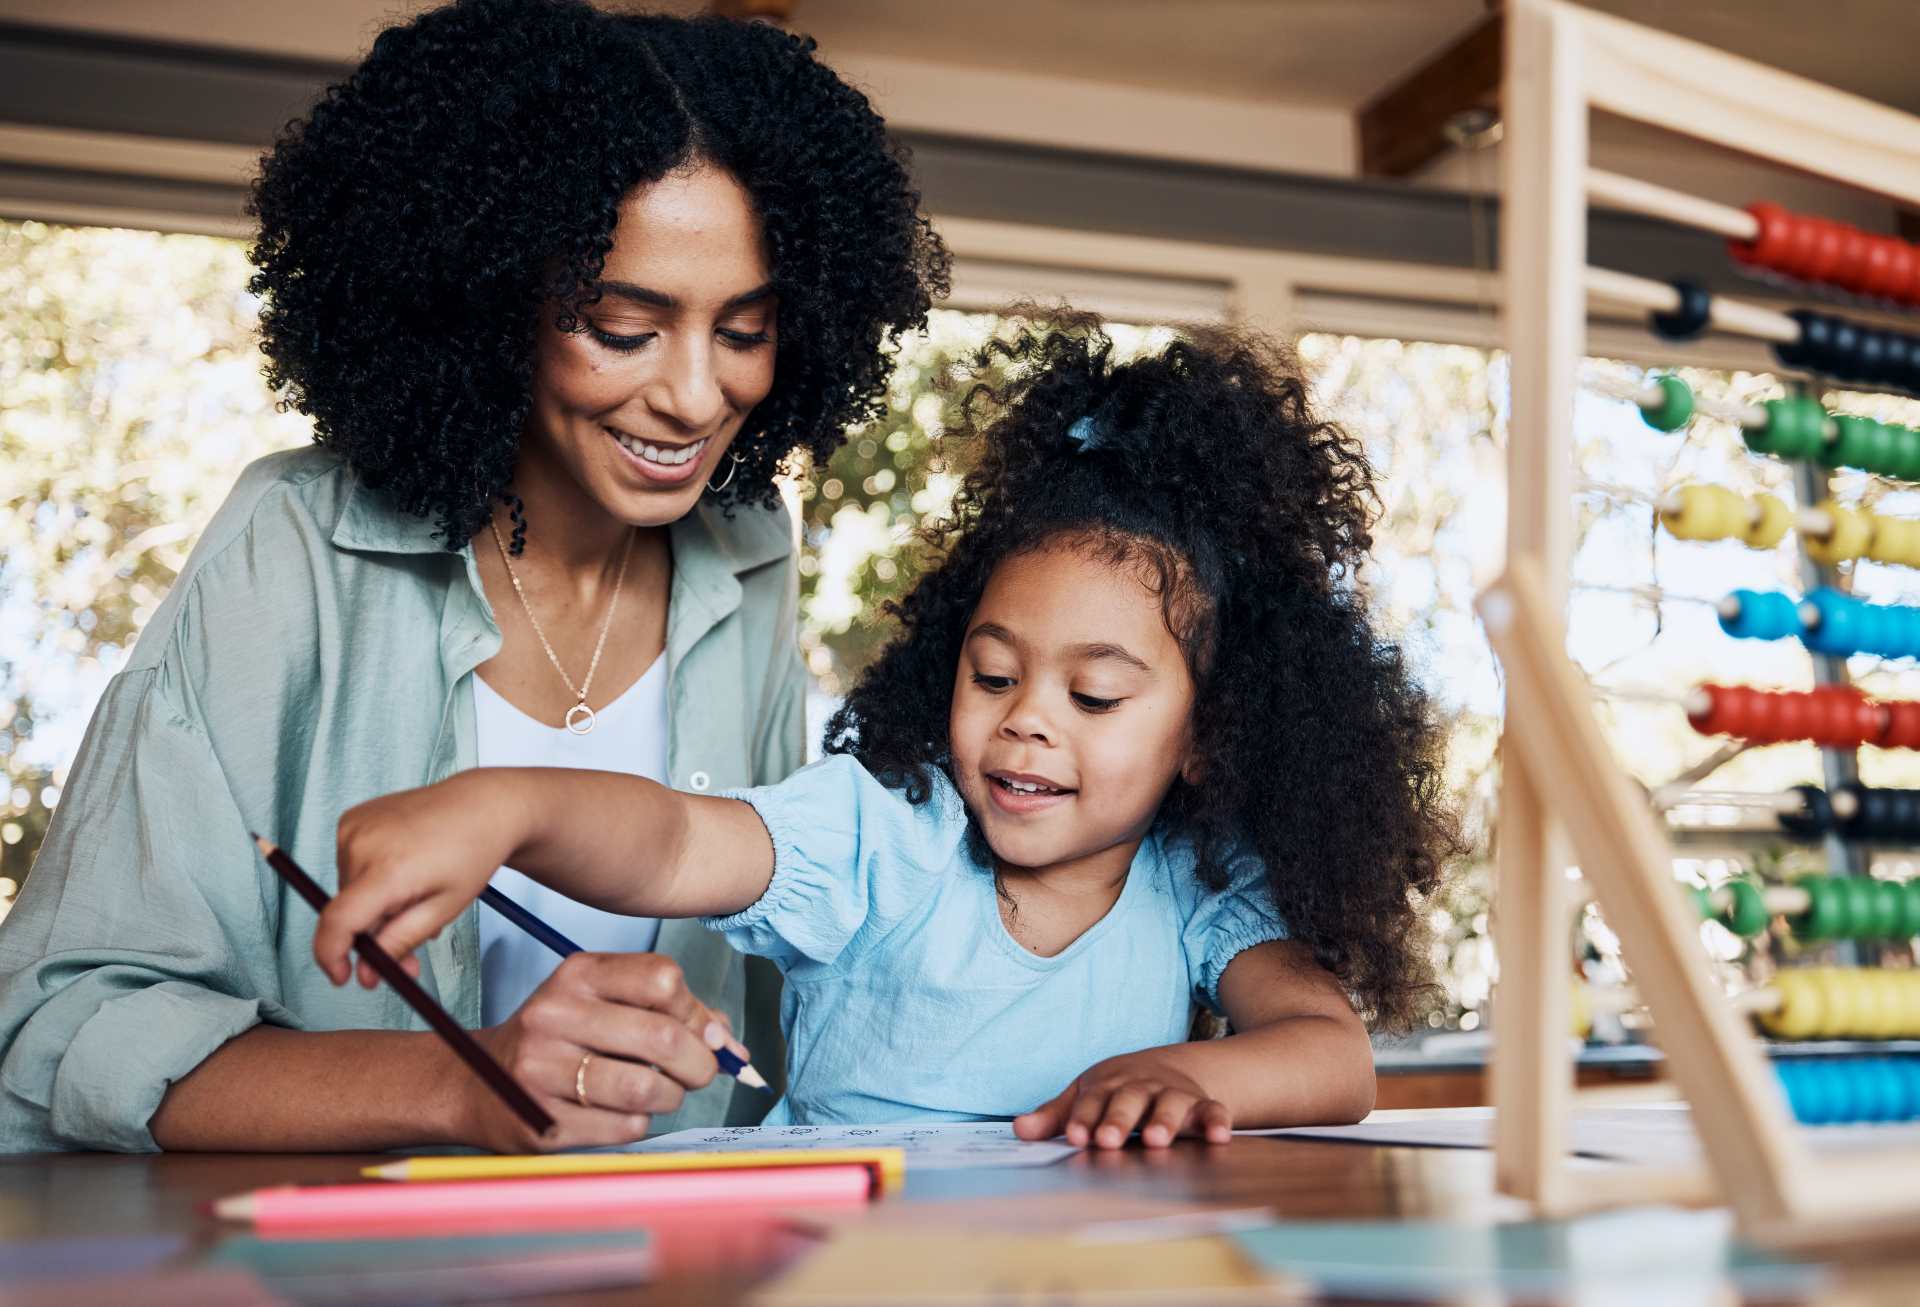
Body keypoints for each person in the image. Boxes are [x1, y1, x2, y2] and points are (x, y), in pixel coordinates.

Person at [0, 0, 947, 1153]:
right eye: (620, 324)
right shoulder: (292, 544)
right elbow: (56, 1027)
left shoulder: (748, 549)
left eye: (742, 331)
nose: (696, 396)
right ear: (489, 300)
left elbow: (758, 954)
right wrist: (464, 1083)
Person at [315, 313, 1461, 1147]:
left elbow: (1333, 1054)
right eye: (994, 671)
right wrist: (507, 803)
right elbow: (671, 844)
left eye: (1095, 697)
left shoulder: (1202, 887)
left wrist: (1187, 1070)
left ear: (1210, 734)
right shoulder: (885, 831)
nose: (1025, 724)